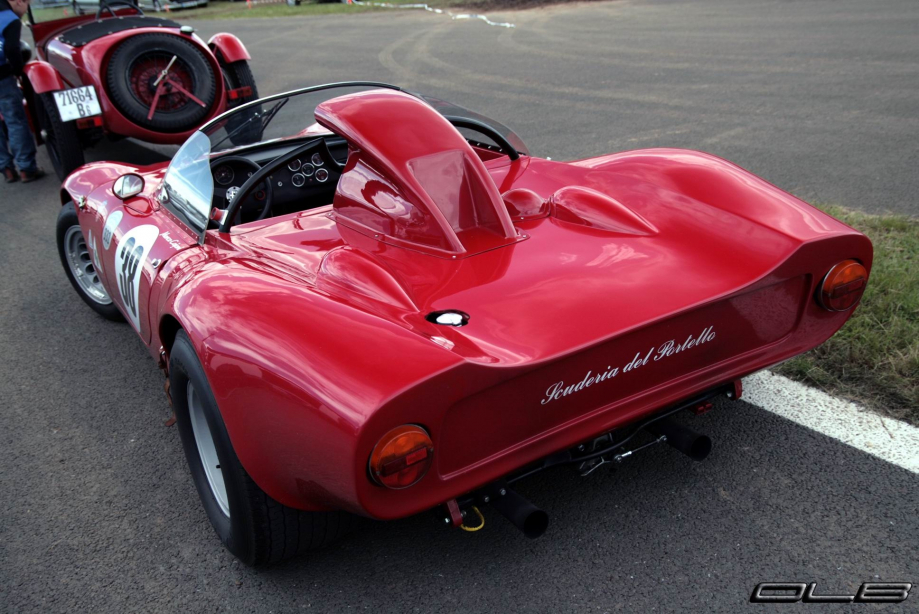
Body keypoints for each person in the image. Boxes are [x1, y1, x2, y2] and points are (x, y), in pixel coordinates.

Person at [0, 0, 43, 183]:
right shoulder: (9, 19)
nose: (25, 10)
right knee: (15, 120)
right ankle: (26, 168)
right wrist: (17, 70)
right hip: (2, 77)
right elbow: (12, 48)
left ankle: (6, 168)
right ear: (19, 1)